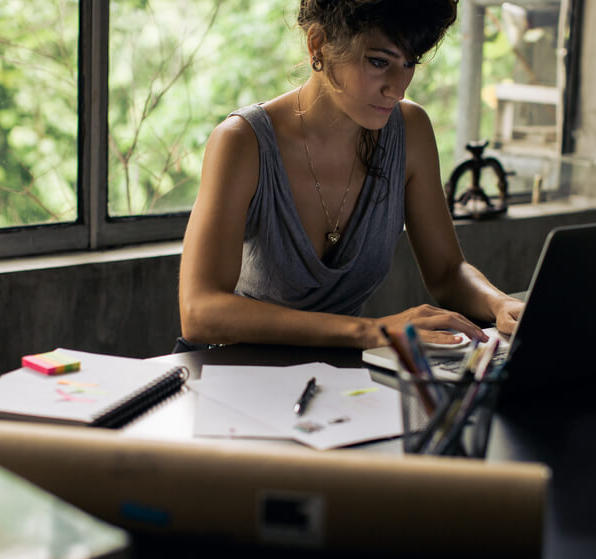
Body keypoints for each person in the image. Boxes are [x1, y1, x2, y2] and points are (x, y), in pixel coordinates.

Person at [179, 0, 523, 350]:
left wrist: (499, 303)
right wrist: (370, 332)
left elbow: (449, 272)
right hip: (231, 374)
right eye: (378, 62)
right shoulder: (242, 142)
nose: (398, 88)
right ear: (318, 44)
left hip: (338, 375)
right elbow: (200, 312)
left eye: (409, 63)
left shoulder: (410, 131)